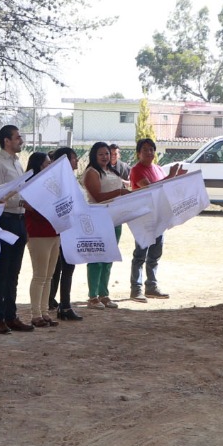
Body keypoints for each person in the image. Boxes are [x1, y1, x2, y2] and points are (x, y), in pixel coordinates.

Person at [0, 124, 33, 334]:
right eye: (17, 137)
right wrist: (21, 202)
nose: (21, 141)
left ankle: (11, 314)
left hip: (19, 220)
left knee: (14, 271)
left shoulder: (17, 163)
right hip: (5, 219)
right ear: (6, 140)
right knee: (2, 270)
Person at [127, 137, 180, 301]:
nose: (149, 152)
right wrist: (171, 177)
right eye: (145, 150)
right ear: (138, 153)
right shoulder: (136, 170)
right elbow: (150, 188)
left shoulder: (158, 169)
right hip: (143, 217)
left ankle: (151, 286)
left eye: (151, 149)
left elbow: (166, 188)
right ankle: (136, 289)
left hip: (159, 216)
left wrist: (177, 178)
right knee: (140, 254)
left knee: (155, 254)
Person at [82, 141, 130, 309]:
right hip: (98, 217)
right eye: (101, 154)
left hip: (115, 218)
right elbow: (97, 196)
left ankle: (104, 294)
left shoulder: (113, 171)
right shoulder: (92, 172)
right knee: (96, 257)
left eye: (107, 154)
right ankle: (92, 296)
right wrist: (120, 192)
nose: (105, 157)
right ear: (94, 156)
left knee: (108, 257)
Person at [22, 151, 62, 329]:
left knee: (48, 275)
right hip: (38, 232)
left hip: (54, 231)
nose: (50, 166)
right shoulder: (30, 184)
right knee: (39, 275)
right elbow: (31, 207)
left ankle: (44, 312)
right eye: (47, 163)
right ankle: (35, 313)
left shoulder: (51, 184)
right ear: (39, 165)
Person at [46, 147, 83, 322]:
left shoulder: (68, 179)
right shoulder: (59, 180)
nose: (76, 161)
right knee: (65, 267)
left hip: (69, 228)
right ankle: (65, 306)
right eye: (74, 158)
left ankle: (55, 301)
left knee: (62, 267)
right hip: (62, 229)